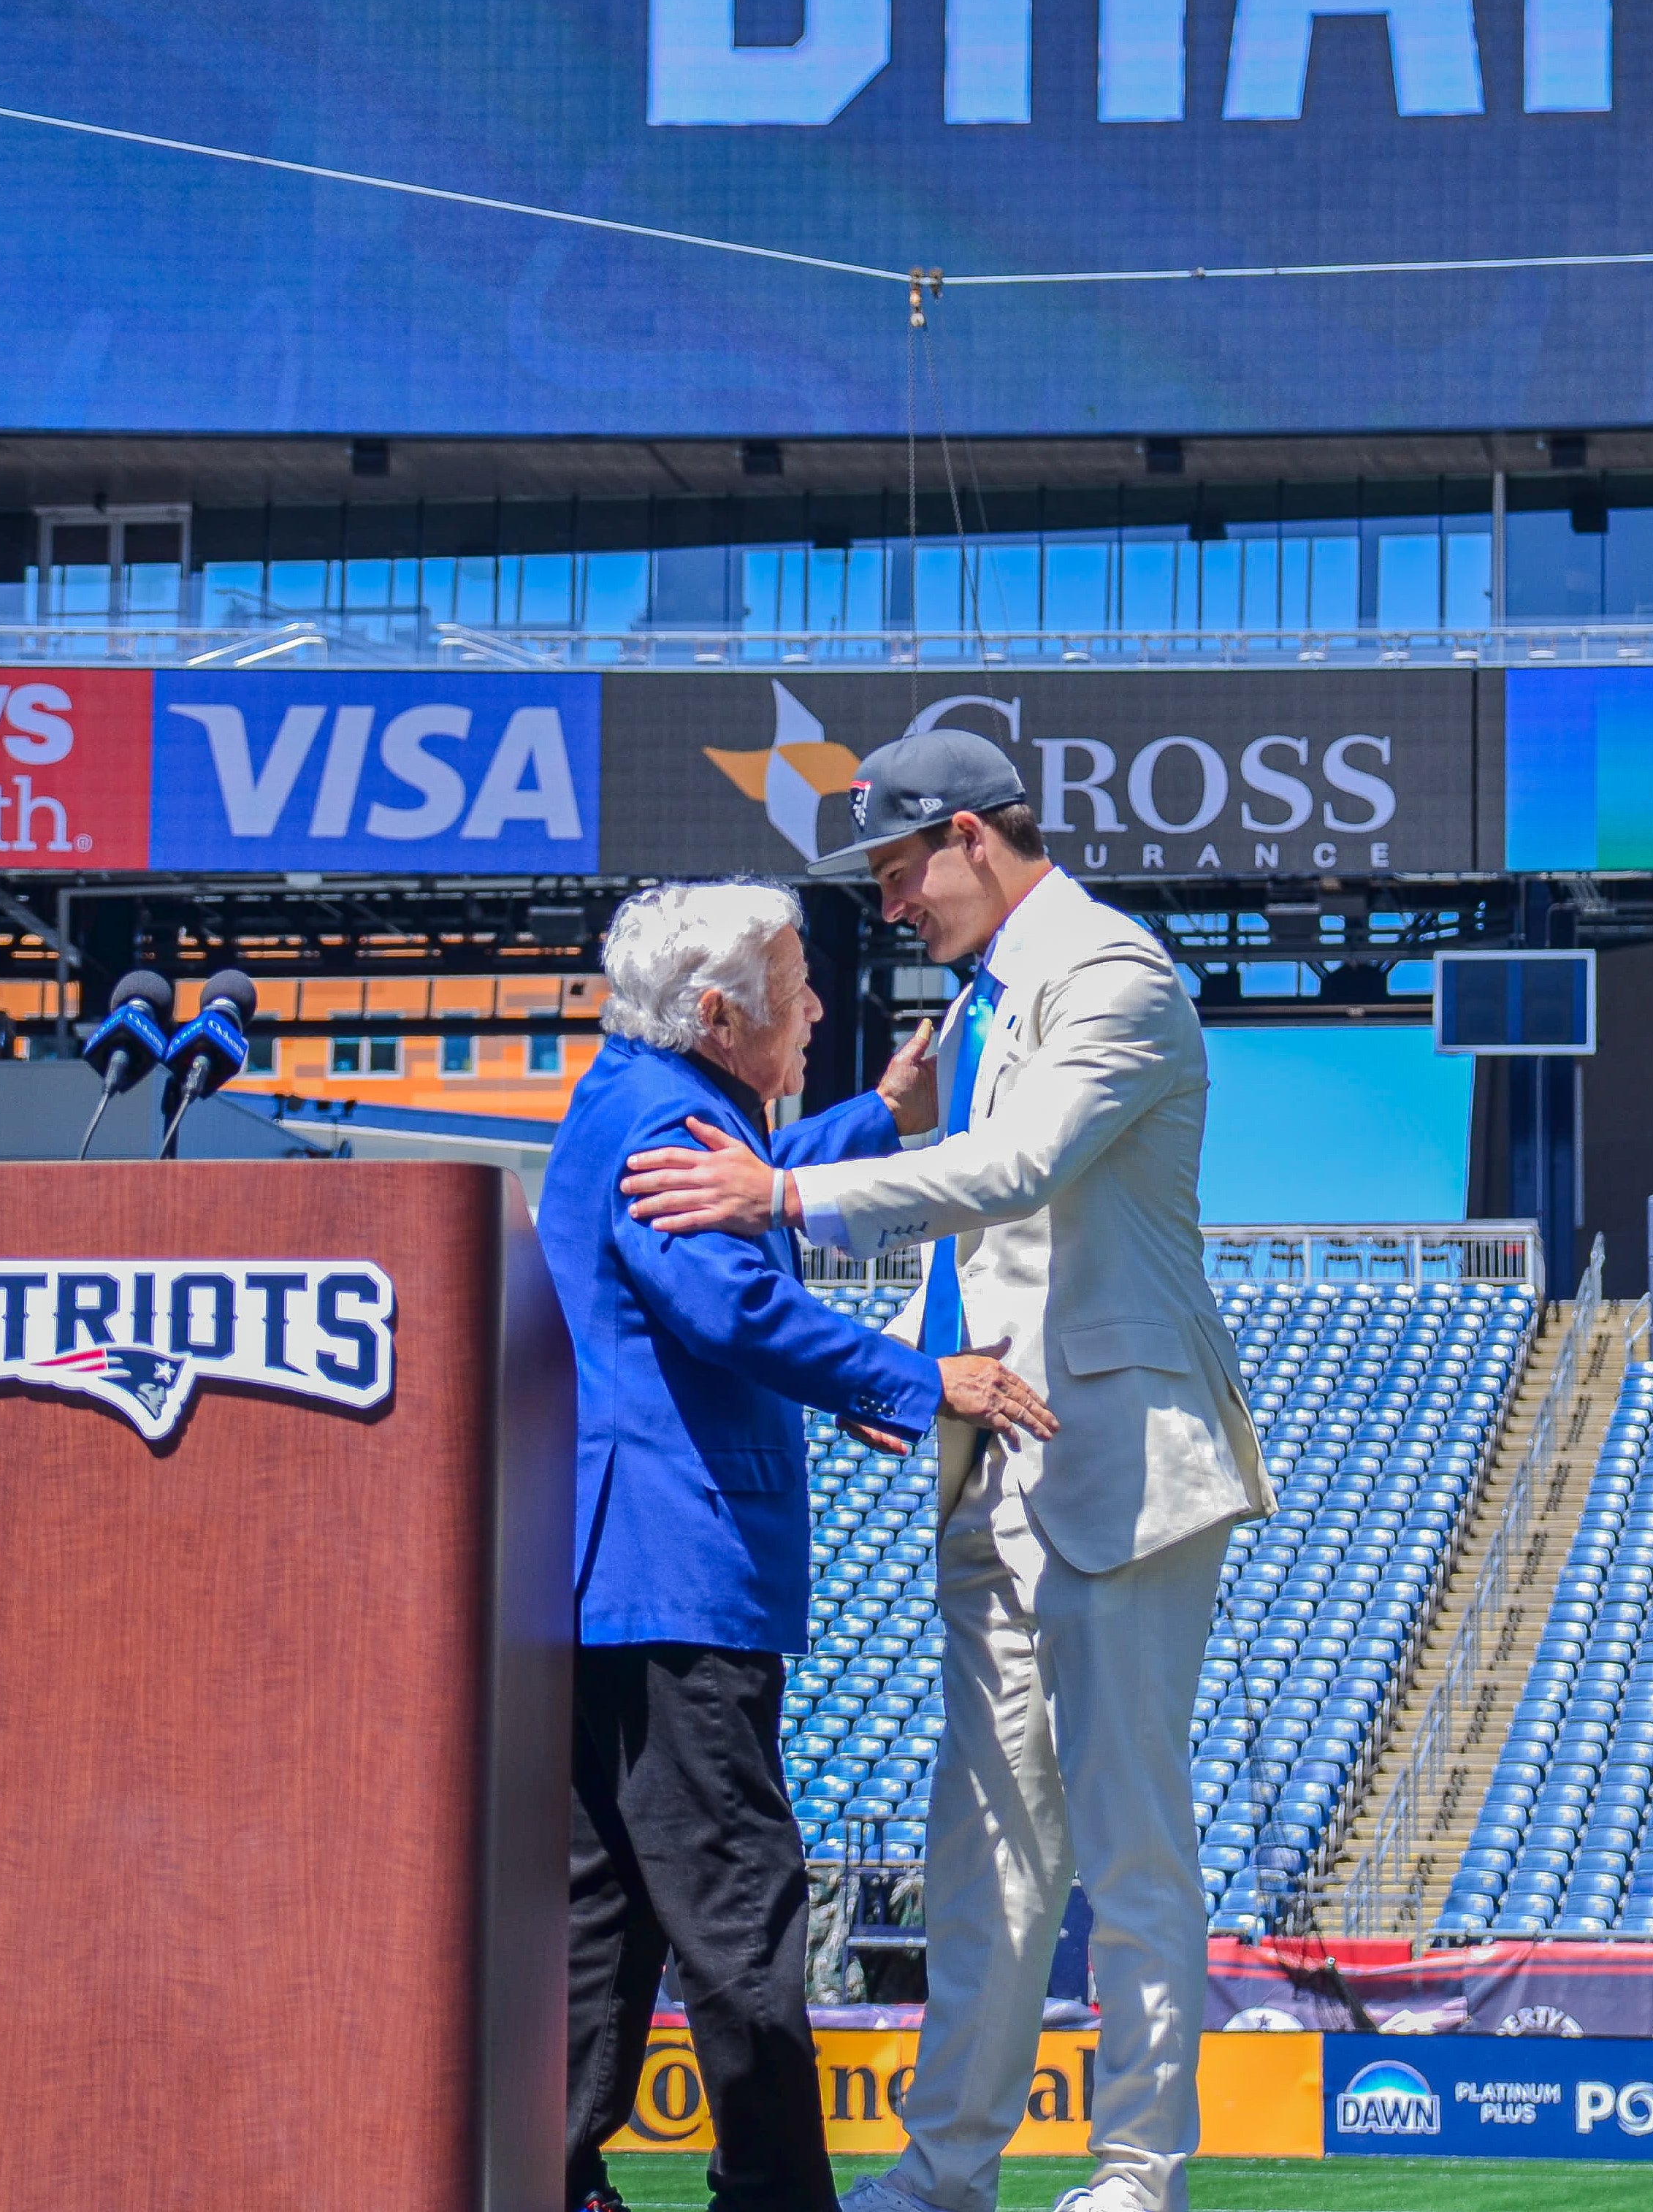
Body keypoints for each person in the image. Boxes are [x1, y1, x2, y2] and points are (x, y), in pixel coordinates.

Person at [622, 736, 1270, 2212]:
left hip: (1121, 1464)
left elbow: (1021, 1170)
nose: (893, 903)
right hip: (995, 1466)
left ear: (974, 836)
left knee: (1128, 1843)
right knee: (978, 1852)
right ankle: (944, 2173)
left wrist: (782, 1188)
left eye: (903, 871)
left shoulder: (1117, 974)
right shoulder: (985, 999)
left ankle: (1134, 2175)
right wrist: (904, 1374)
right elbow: (993, 1245)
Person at [545, 878, 1059, 2212]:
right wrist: (916, 1379)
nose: (823, 1002)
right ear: (719, 1015)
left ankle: (549, 2171)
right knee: (735, 1897)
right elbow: (722, 1298)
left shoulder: (648, 1095)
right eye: (797, 981)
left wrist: (877, 1118)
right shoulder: (666, 1117)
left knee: (612, 1901)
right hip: (679, 1570)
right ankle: (772, 2191)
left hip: (617, 1577)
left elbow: (749, 1195)